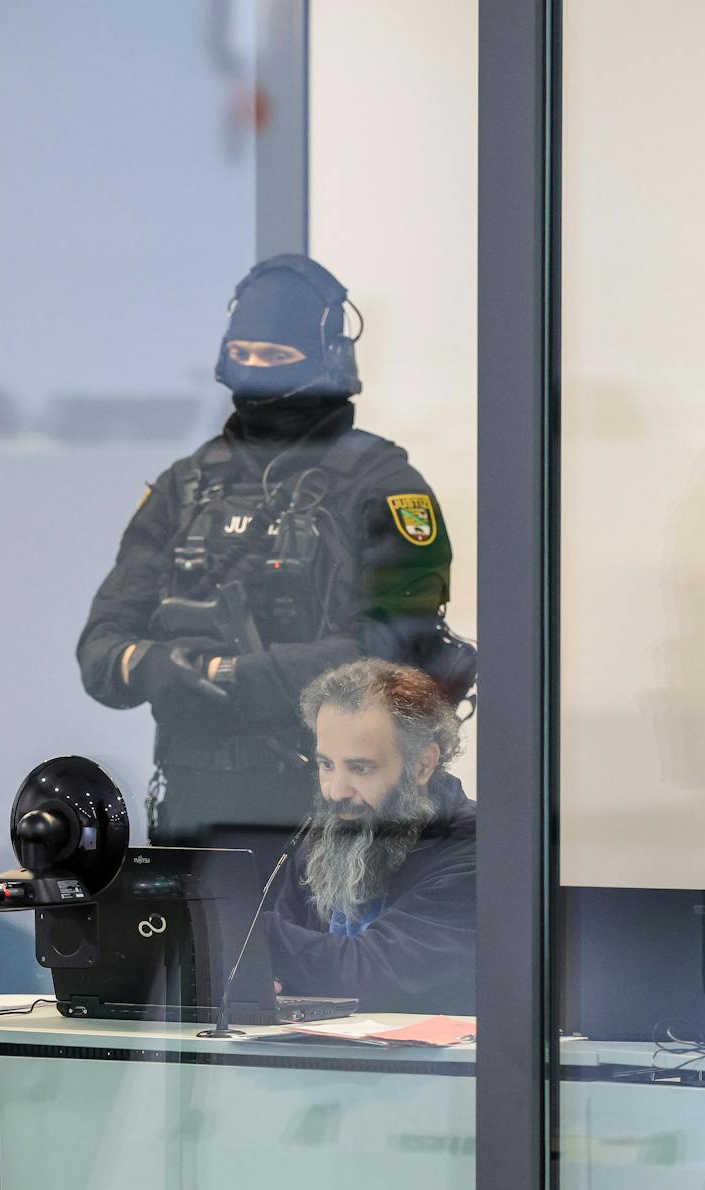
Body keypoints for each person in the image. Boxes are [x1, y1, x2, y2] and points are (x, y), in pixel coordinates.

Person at [77, 255, 470, 861]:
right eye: (247, 354)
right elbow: (100, 649)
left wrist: (230, 677)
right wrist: (159, 665)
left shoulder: (384, 486)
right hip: (195, 812)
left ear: (325, 360)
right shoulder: (183, 487)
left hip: (336, 813)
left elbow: (393, 652)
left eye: (277, 358)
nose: (256, 373)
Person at [262, 658, 475, 1014]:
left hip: (435, 1068)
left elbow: (373, 974)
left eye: (360, 768)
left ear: (422, 764)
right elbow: (281, 971)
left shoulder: (471, 848)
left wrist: (242, 930)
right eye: (326, 765)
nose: (335, 790)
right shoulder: (326, 837)